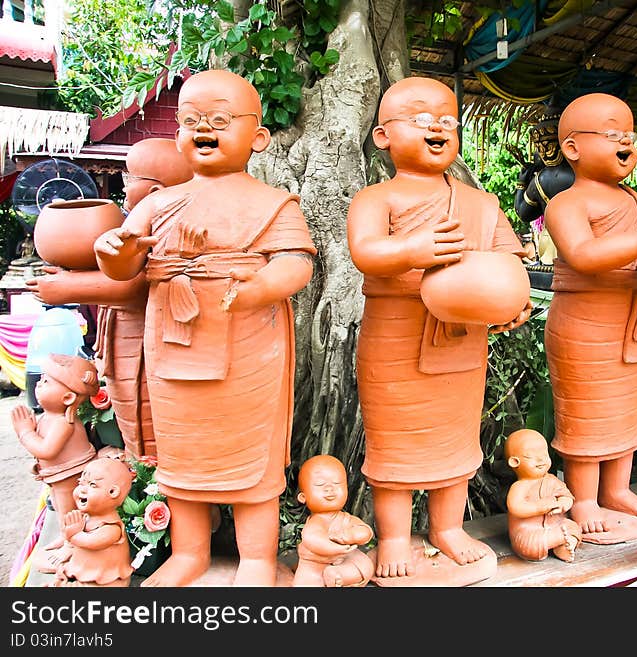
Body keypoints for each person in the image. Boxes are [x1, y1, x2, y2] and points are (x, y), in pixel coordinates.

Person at [94, 69, 316, 587]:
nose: (204, 128)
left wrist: (260, 287)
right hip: (173, 339)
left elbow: (297, 263)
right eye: (192, 120)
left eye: (219, 119)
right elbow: (122, 262)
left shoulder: (273, 202)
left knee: (251, 457)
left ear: (257, 137)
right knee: (182, 453)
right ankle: (188, 553)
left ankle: (258, 559)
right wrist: (117, 253)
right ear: (179, 136)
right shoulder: (156, 204)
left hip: (250, 345)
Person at [346, 76, 530, 583]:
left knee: (456, 439)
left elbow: (509, 258)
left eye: (447, 121)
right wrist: (410, 250)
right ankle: (396, 538)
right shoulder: (376, 198)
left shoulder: (481, 204)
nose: (437, 128)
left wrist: (514, 303)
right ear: (383, 136)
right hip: (396, 336)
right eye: (422, 120)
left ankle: (448, 528)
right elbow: (365, 252)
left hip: (463, 340)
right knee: (395, 443)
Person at [543, 92, 637, 542]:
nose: (626, 142)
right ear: (572, 149)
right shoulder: (567, 204)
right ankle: (584, 498)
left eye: (629, 134)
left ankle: (618, 489)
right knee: (587, 414)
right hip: (586, 327)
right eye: (611, 134)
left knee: (627, 413)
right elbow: (584, 255)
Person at [26, 138, 194, 459]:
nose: (124, 184)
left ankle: (156, 487)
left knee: (153, 426)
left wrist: (66, 288)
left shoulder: (167, 232)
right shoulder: (131, 225)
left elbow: (134, 285)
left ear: (156, 193)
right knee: (134, 427)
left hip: (153, 351)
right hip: (124, 347)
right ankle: (143, 481)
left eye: (130, 178)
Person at [12, 353, 100, 561]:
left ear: (68, 398)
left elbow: (47, 450)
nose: (38, 385)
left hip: (69, 475)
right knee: (60, 508)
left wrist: (25, 432)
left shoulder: (63, 423)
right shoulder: (51, 418)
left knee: (69, 510)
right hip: (57, 475)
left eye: (46, 382)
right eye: (41, 380)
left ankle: (72, 544)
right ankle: (65, 536)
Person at [51, 456, 134, 587]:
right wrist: (70, 533)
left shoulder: (112, 527)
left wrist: (74, 535)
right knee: (44, 563)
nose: (82, 490)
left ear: (113, 492)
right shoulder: (86, 517)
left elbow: (92, 542)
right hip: (84, 569)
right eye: (81, 483)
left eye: (92, 485)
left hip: (107, 579)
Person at [292, 455, 374, 587]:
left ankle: (339, 576)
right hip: (315, 564)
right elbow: (313, 540)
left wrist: (349, 536)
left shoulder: (345, 518)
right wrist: (335, 548)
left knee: (365, 565)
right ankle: (332, 578)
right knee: (306, 581)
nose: (330, 489)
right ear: (303, 497)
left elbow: (366, 531)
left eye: (337, 483)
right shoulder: (315, 523)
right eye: (320, 485)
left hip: (346, 559)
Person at [504, 429, 580, 562]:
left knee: (573, 528)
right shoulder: (519, 487)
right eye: (530, 456)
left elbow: (567, 496)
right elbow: (516, 507)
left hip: (556, 524)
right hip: (530, 532)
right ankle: (559, 540)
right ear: (515, 462)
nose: (541, 459)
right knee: (530, 545)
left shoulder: (552, 479)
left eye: (544, 454)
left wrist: (563, 504)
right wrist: (539, 508)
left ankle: (563, 545)